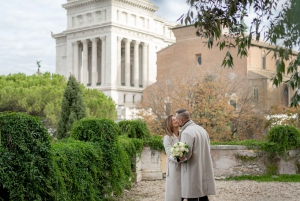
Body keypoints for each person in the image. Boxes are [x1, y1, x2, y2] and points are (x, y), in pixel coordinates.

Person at [175, 109, 216, 201]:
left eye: (176, 119)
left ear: (181, 120)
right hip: (203, 167)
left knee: (192, 195)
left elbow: (186, 155)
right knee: (202, 195)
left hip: (192, 170)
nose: (176, 121)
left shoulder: (186, 132)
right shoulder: (201, 129)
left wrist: (176, 158)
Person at [163, 115, 181, 201]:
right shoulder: (167, 137)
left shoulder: (183, 134)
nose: (176, 120)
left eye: (176, 119)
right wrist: (178, 159)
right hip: (174, 167)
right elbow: (169, 154)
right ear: (169, 123)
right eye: (173, 120)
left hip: (185, 166)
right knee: (174, 192)